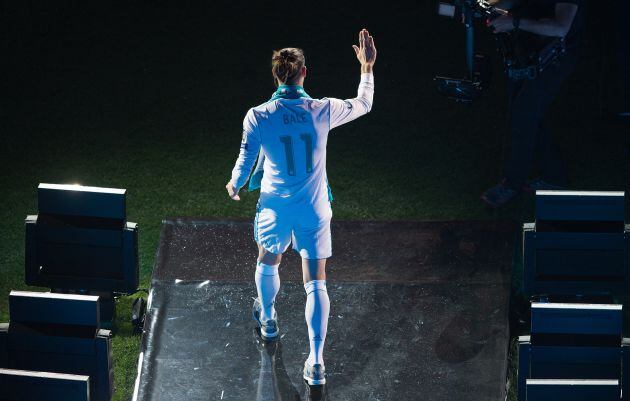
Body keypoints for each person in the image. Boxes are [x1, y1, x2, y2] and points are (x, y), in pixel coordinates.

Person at [226, 29, 377, 386]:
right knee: (316, 282)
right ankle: (316, 362)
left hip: (275, 207)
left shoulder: (258, 116)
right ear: (304, 73)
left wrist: (235, 182)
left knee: (268, 259)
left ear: (276, 75)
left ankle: (268, 320)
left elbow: (246, 158)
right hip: (314, 208)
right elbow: (364, 103)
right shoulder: (322, 110)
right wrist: (367, 67)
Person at [481, 0, 584, 207]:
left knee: (524, 112)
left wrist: (515, 22)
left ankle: (511, 183)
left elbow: (561, 28)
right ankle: (555, 177)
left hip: (556, 55)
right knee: (526, 112)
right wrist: (490, 6)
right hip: (533, 50)